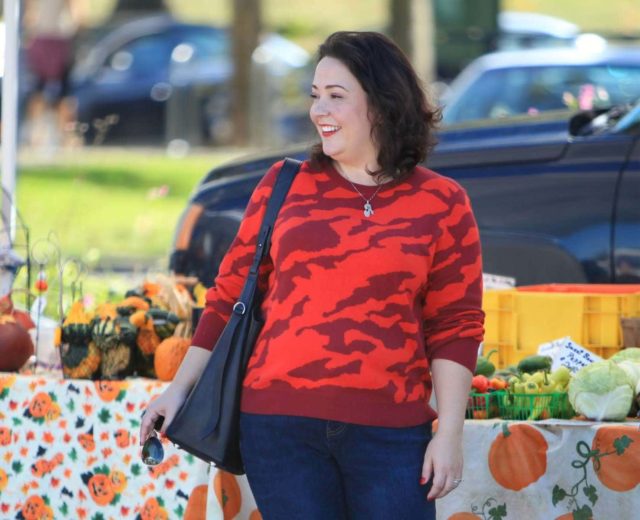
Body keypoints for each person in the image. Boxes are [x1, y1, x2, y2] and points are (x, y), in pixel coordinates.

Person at [141, 31, 484, 519]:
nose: (319, 110)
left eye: (337, 97)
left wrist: (449, 432)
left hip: (392, 434)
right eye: (315, 96)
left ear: (383, 105)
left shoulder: (443, 203)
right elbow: (227, 299)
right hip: (279, 429)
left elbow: (455, 325)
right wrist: (178, 388)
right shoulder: (283, 186)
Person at [21, 0, 83, 148]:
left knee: (52, 94)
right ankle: (41, 135)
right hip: (53, 38)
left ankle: (57, 136)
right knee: (45, 93)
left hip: (50, 38)